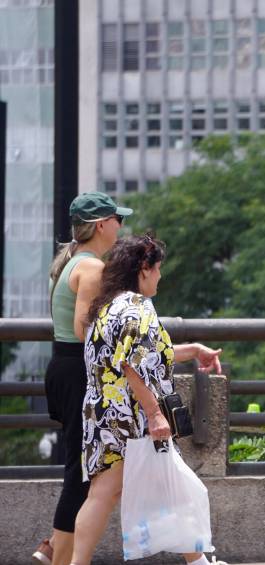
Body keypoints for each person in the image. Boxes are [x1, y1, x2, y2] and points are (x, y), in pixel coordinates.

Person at [70, 234, 225, 565]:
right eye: (157, 269)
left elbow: (142, 355)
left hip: (102, 414)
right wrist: (155, 414)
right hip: (131, 416)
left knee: (128, 491)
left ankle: (197, 561)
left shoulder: (107, 305)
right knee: (154, 488)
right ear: (144, 268)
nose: (160, 276)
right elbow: (132, 365)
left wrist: (193, 350)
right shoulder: (138, 308)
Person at [34, 192, 132, 565]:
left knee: (85, 470)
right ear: (101, 225)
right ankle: (60, 557)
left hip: (65, 368)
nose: (121, 226)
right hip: (78, 372)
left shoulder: (71, 262)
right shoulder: (91, 268)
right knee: (82, 472)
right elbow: (82, 330)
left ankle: (53, 548)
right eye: (117, 219)